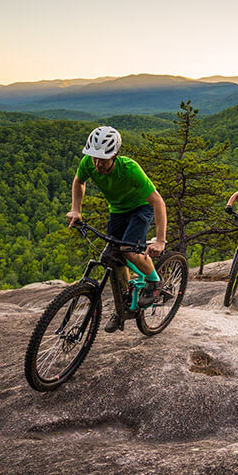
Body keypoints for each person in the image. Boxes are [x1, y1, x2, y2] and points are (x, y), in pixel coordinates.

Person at [66, 125, 167, 332]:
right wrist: (76, 210)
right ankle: (122, 307)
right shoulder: (89, 163)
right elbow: (79, 181)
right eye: (94, 157)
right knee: (112, 257)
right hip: (118, 210)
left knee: (128, 251)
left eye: (102, 159)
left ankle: (154, 282)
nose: (97, 164)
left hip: (141, 208)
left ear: (115, 154)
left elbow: (158, 201)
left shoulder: (130, 169)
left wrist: (160, 241)